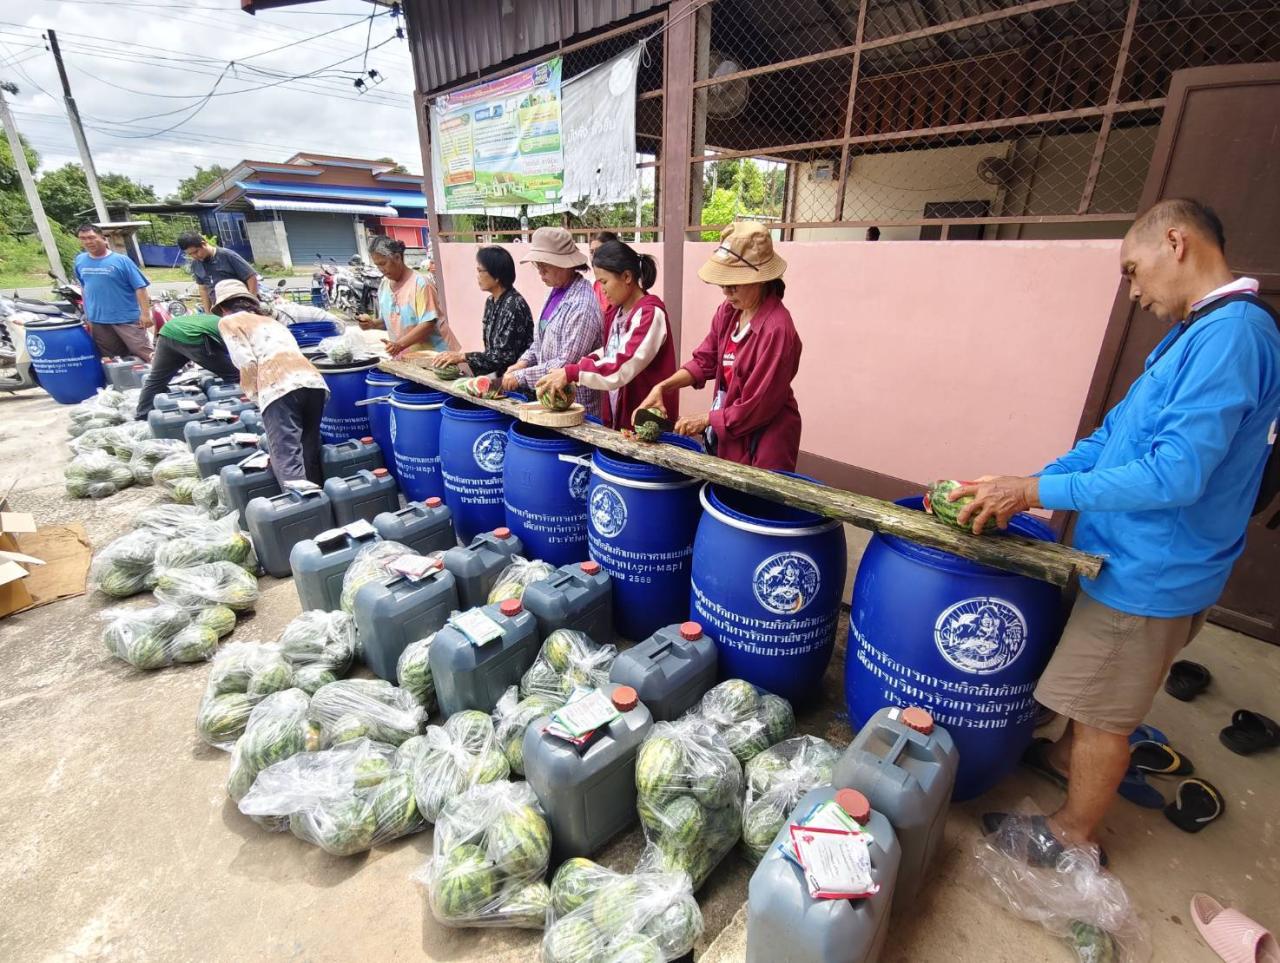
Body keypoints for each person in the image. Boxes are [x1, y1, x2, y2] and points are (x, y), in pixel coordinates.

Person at [958, 199, 1280, 868]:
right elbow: (1112, 439)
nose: (1133, 291)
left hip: (1150, 570)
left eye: (1133, 270)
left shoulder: (1231, 338)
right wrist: (1030, 483)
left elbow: (1174, 474)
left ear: (1176, 242)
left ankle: (1074, 832)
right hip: (1126, 554)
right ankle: (1062, 757)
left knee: (1103, 712)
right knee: (1091, 694)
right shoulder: (1199, 331)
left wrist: (1034, 492)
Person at [635, 222, 803, 470]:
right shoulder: (730, 311)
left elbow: (756, 407)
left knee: (749, 493)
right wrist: (663, 387)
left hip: (763, 441)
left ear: (760, 280)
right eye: (723, 283)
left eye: (734, 283)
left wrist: (706, 419)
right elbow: (705, 360)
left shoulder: (777, 330)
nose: (726, 291)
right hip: (730, 431)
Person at [535, 239, 677, 430]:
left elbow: (622, 365)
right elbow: (610, 350)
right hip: (621, 420)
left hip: (646, 423)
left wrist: (573, 373)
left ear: (627, 276)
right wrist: (581, 364)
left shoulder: (649, 315)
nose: (601, 290)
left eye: (604, 282)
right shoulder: (616, 312)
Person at [211, 279, 329, 487]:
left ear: (222, 308)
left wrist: (255, 396)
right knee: (308, 449)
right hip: (313, 382)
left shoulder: (228, 321)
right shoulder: (271, 321)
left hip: (278, 385)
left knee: (286, 455)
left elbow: (246, 362)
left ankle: (300, 504)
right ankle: (318, 500)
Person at [501, 227, 603, 415]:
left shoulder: (582, 305)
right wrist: (523, 362)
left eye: (545, 265)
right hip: (552, 400)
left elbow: (566, 363)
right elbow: (540, 341)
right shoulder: (556, 292)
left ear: (564, 264)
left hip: (575, 407)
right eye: (538, 265)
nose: (540, 272)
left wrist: (521, 376)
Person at [429, 246, 532, 378]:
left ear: (496, 275)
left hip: (516, 379)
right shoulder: (491, 301)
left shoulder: (514, 306)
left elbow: (503, 357)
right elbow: (491, 353)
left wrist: (463, 357)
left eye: (480, 271)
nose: (477, 276)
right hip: (500, 376)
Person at [356, 236, 459, 357]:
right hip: (408, 358)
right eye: (377, 265)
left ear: (397, 257)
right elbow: (390, 322)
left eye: (383, 263)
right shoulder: (384, 286)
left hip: (436, 355)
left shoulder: (420, 284)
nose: (381, 269)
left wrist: (399, 345)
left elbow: (428, 324)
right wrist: (372, 324)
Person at [134, 311, 239, 419]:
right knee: (233, 375)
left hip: (168, 331)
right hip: (193, 337)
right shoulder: (240, 327)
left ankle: (142, 414)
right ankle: (232, 408)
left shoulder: (222, 319)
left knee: (157, 378)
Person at [74, 224, 153, 363]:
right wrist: (88, 316)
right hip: (99, 321)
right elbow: (84, 288)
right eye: (83, 238)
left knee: (145, 353)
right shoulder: (80, 260)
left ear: (103, 238)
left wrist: (146, 314)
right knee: (113, 360)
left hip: (126, 319)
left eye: (91, 237)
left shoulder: (122, 261)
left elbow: (140, 287)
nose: (88, 242)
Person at [178, 232, 257, 313]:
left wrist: (251, 303)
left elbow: (251, 277)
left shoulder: (227, 255)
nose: (195, 256)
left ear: (204, 243)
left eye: (196, 252)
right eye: (190, 254)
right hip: (219, 307)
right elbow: (203, 289)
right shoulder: (195, 264)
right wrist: (208, 312)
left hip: (240, 304)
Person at [589, 230, 620, 314]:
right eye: (591, 252)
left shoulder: (621, 284)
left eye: (599, 251)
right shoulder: (591, 285)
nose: (594, 256)